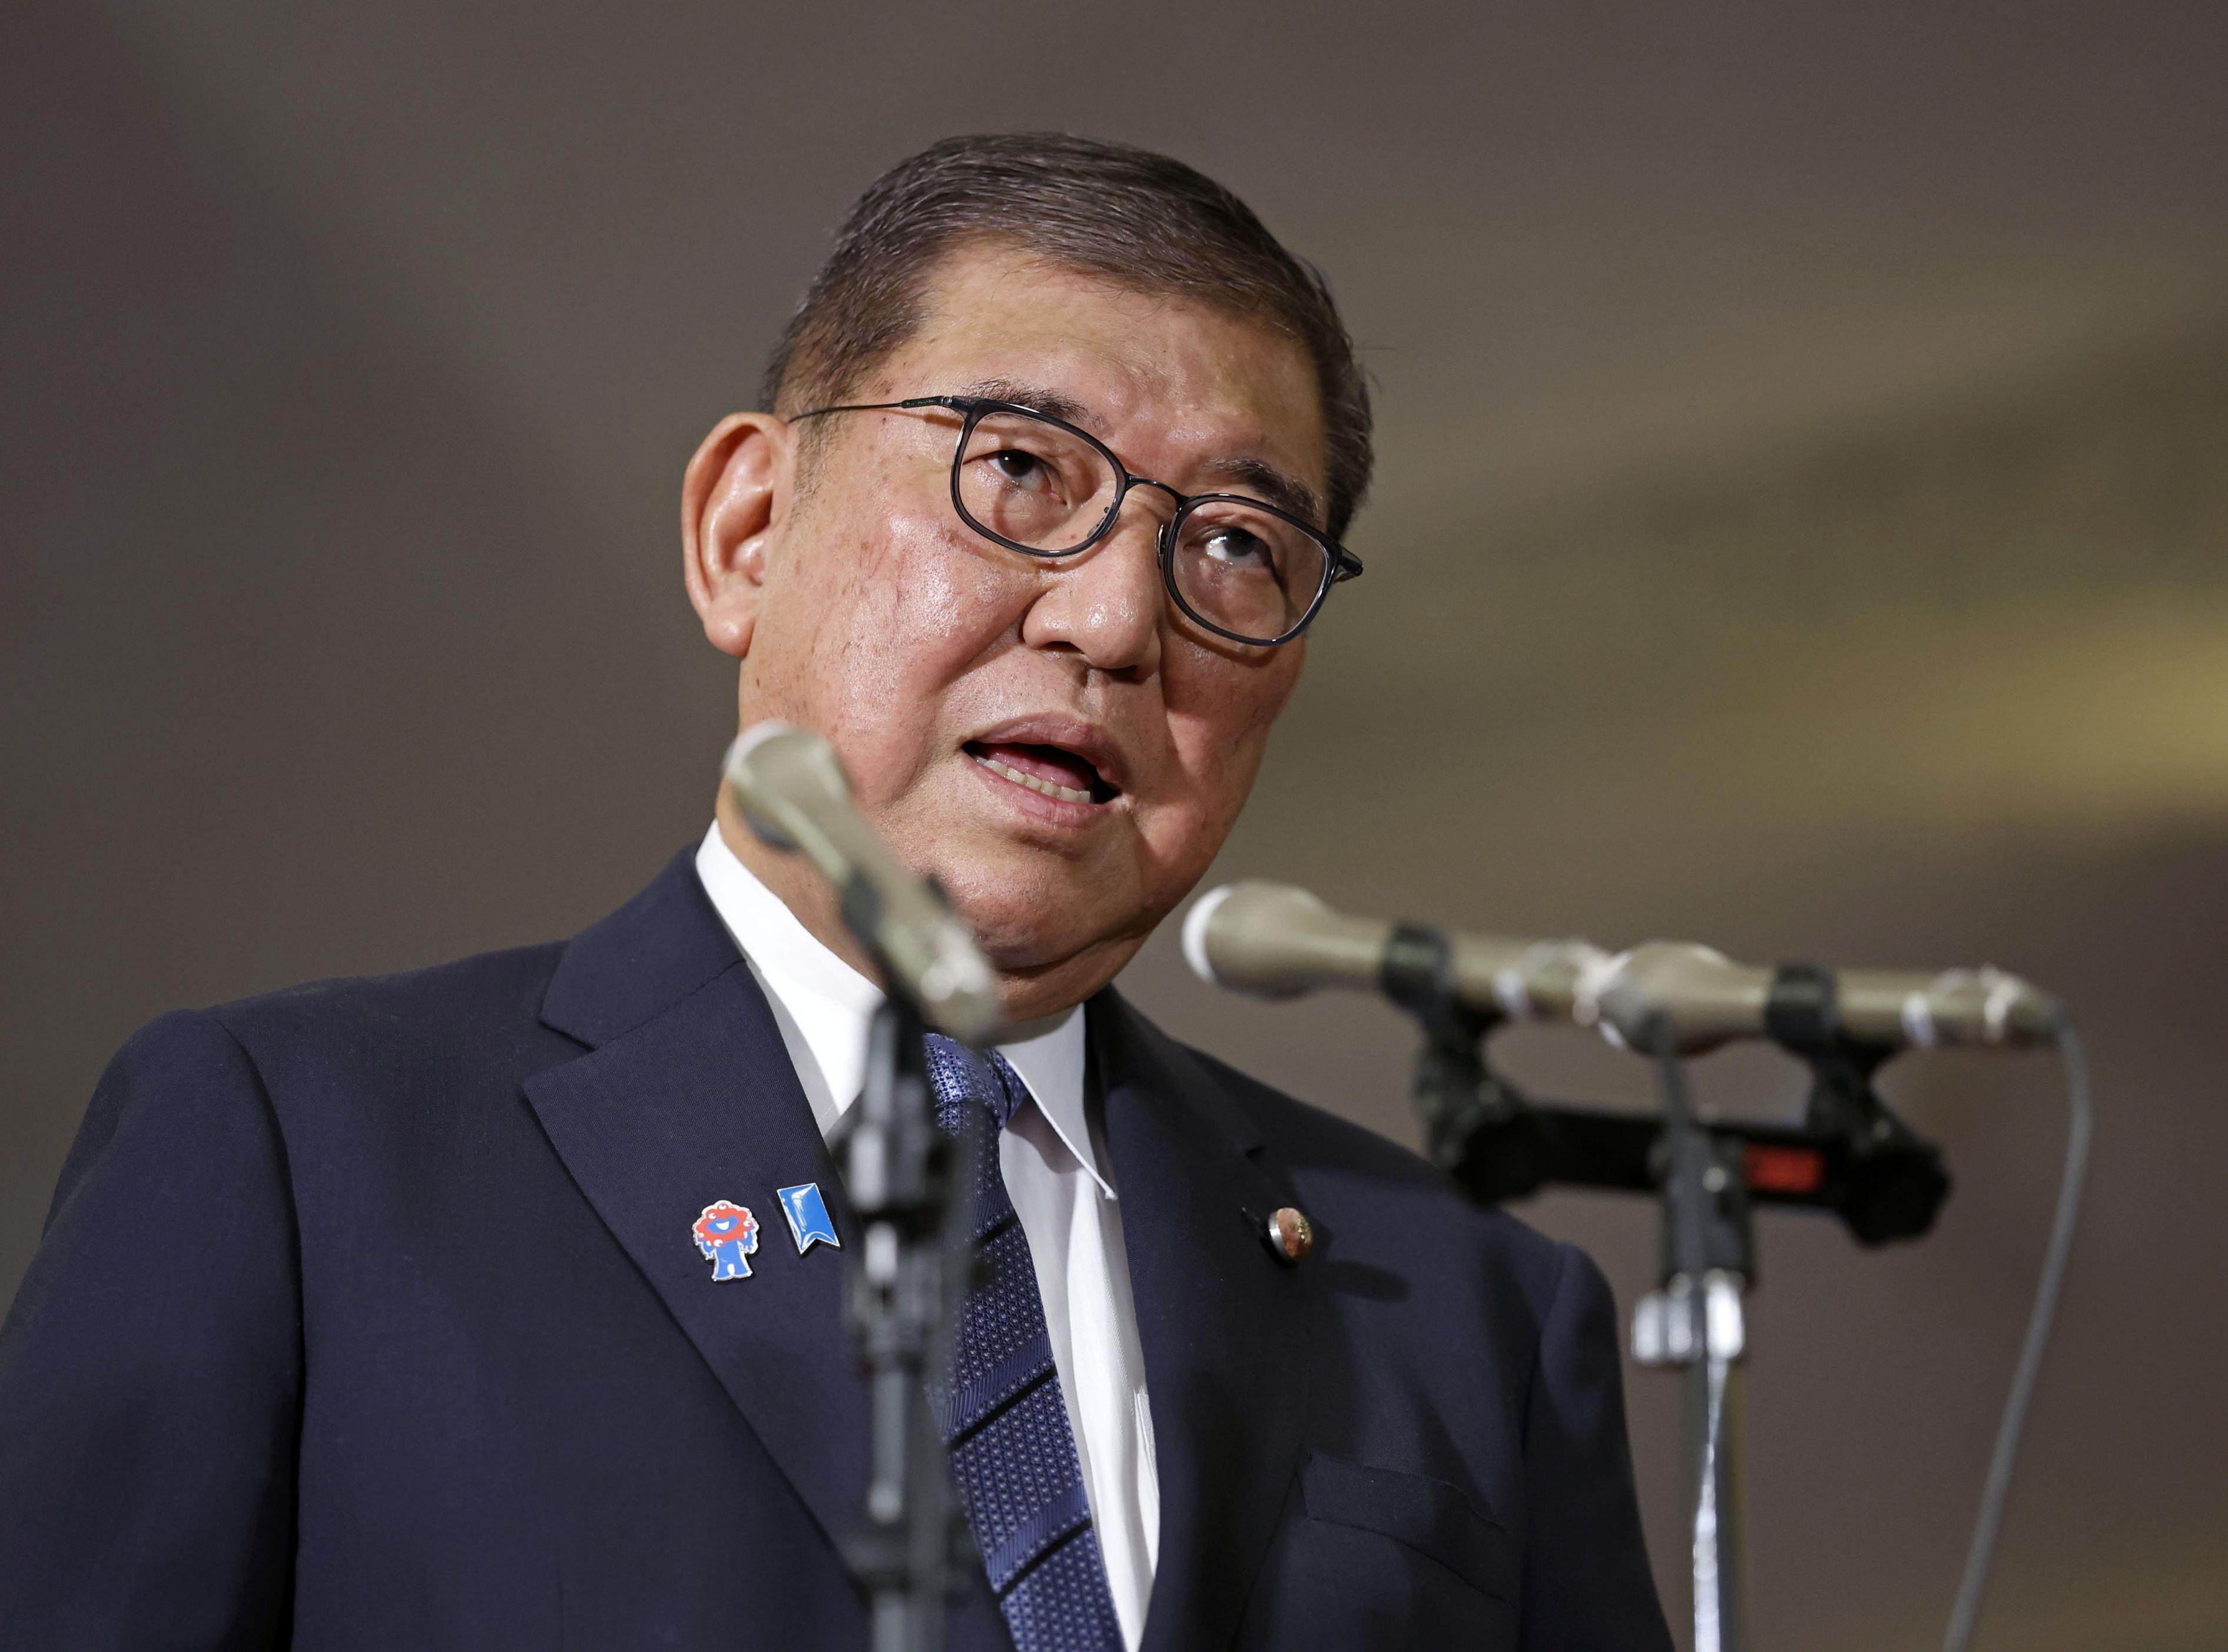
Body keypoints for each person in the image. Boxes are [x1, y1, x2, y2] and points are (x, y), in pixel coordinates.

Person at [0, 134, 1670, 1651]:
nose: (1115, 621)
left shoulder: (1466, 1314)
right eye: (1022, 468)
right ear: (748, 530)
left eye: (1236, 543)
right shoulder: (302, 1158)